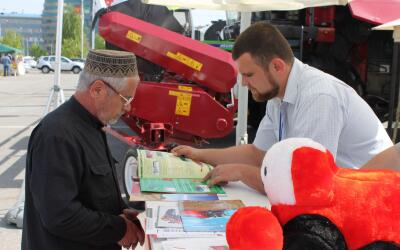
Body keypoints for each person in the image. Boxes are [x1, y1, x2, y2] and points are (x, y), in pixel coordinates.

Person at [172, 22, 392, 193]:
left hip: (373, 204)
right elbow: (257, 154)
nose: (244, 83)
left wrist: (242, 173)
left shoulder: (319, 96)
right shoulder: (279, 93)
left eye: (248, 75)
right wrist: (199, 155)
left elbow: (307, 182)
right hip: (347, 197)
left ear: (277, 66)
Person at [22, 49, 144, 250]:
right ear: (97, 89)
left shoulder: (92, 124)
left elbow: (91, 192)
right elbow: (61, 216)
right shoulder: (57, 135)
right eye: (126, 99)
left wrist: (121, 212)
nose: (128, 108)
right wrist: (119, 228)